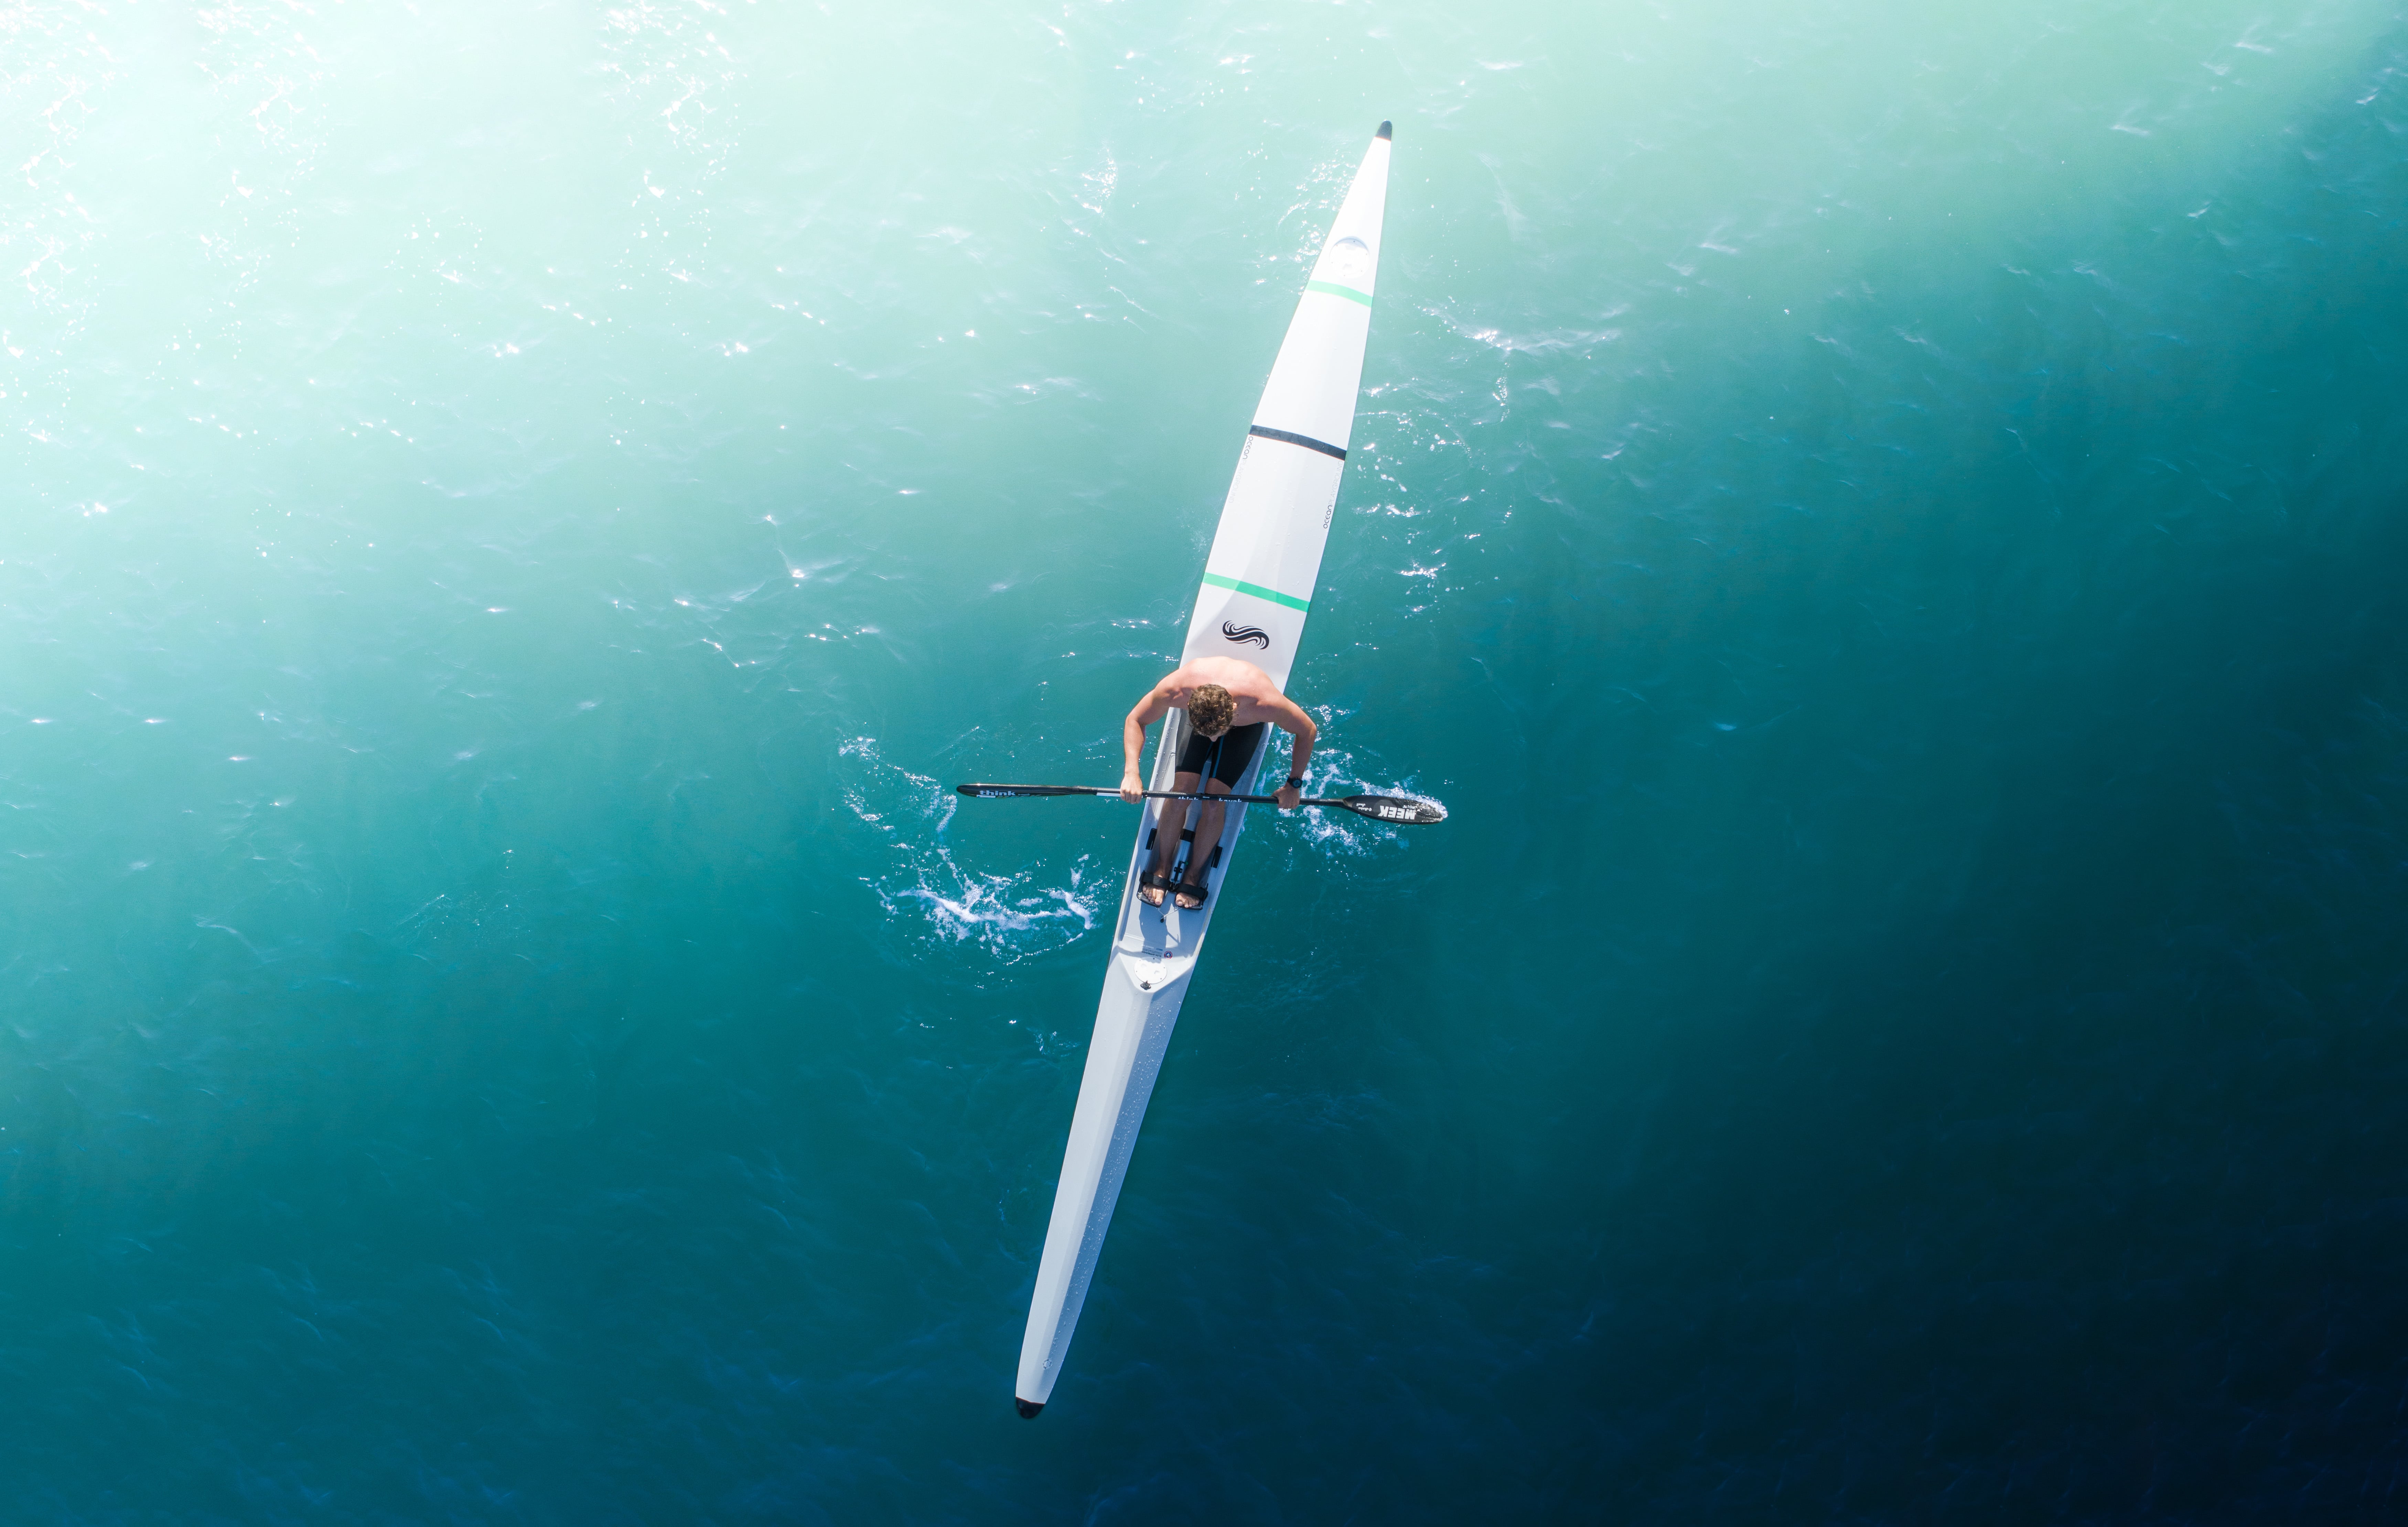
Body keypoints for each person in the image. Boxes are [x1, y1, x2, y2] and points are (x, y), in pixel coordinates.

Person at [1119, 656, 1319, 910]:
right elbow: (1136, 719)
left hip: (1247, 725)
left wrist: (1294, 784)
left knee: (1215, 800)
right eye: (1208, 735)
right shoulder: (1176, 690)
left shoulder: (1265, 704)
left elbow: (1308, 730)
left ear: (1233, 710)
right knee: (1181, 793)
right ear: (1188, 705)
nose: (1213, 740)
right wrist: (1132, 772)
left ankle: (1193, 875)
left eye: (1217, 734)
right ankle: (1162, 866)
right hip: (1205, 719)